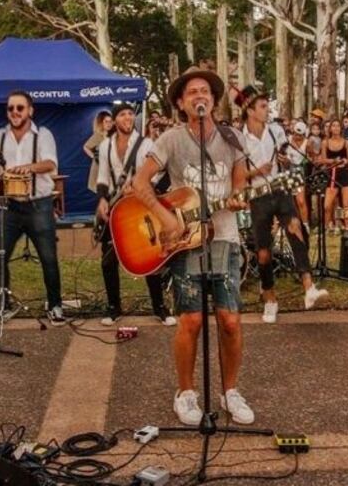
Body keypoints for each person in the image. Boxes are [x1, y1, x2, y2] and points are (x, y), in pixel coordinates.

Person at [132, 66, 254, 426]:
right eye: (191, 93)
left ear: (214, 100)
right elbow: (140, 183)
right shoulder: (170, 140)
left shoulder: (233, 139)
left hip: (225, 237)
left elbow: (241, 187)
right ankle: (185, 393)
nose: (199, 96)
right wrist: (165, 216)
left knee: (230, 320)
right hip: (186, 241)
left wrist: (238, 198)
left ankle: (229, 391)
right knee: (191, 320)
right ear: (182, 104)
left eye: (205, 91)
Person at [235, 85, 327, 324]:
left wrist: (284, 161)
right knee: (263, 253)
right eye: (263, 106)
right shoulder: (238, 138)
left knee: (297, 229)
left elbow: (288, 157)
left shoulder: (276, 130)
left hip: (281, 189)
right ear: (250, 110)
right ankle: (269, 298)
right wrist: (257, 170)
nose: (267, 110)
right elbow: (236, 176)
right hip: (258, 197)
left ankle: (309, 287)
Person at [0, 90, 65, 325]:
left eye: (20, 108)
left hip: (39, 205)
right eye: (11, 108)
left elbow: (50, 163)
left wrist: (27, 168)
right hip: (9, 207)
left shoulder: (43, 135)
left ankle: (55, 304)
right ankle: (2, 304)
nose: (15, 112)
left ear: (30, 110)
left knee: (48, 258)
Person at [95, 103, 175, 326]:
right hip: (116, 207)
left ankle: (159, 306)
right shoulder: (105, 146)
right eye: (123, 114)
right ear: (115, 120)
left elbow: (160, 174)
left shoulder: (146, 144)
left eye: (131, 114)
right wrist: (102, 199)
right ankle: (113, 306)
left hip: (140, 206)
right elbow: (102, 177)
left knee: (149, 255)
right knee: (108, 261)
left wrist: (141, 185)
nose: (128, 117)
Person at [319, 119, 348, 232]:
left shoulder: (346, 143)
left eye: (338, 126)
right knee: (327, 205)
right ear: (330, 128)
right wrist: (333, 161)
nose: (335, 128)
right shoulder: (325, 142)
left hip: (345, 173)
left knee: (346, 203)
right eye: (333, 126)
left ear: (341, 128)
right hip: (332, 173)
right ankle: (327, 227)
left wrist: (345, 161)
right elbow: (323, 160)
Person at [84, 111, 114, 192]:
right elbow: (86, 147)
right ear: (102, 123)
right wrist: (94, 156)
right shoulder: (98, 135)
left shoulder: (112, 135)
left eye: (110, 121)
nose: (109, 124)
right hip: (100, 169)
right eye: (106, 121)